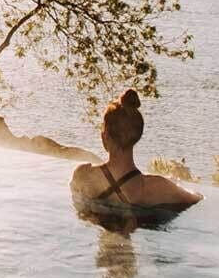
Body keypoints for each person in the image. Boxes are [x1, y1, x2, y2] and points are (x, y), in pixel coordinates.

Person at [70, 88, 201, 217]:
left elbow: (80, 211)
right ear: (137, 136)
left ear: (105, 136)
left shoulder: (83, 175)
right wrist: (174, 185)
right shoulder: (156, 188)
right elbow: (197, 198)